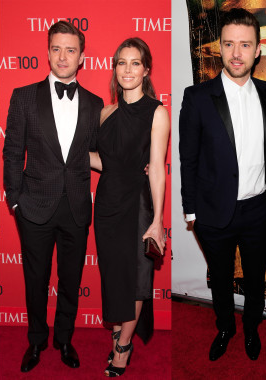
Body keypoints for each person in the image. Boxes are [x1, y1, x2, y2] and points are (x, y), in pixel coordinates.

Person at [3, 20, 103, 372]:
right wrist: (14, 199)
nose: (63, 56)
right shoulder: (24, 96)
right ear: (47, 52)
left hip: (76, 206)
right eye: (57, 48)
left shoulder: (95, 103)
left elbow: (101, 154)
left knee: (71, 280)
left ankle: (65, 339)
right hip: (33, 207)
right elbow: (12, 151)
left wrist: (139, 164)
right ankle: (36, 341)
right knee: (36, 280)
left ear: (81, 58)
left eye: (71, 50)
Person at [179, 8, 266, 362]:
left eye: (245, 45)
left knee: (255, 277)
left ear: (257, 50)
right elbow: (187, 159)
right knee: (219, 278)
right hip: (212, 210)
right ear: (220, 48)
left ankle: (252, 326)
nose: (237, 53)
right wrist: (191, 211)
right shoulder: (197, 97)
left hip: (258, 209)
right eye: (230, 44)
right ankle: (225, 327)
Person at [90, 37, 170, 377]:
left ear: (146, 69)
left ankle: (123, 347)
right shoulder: (105, 112)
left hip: (138, 206)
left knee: (137, 277)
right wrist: (67, 157)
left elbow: (157, 169)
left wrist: (157, 220)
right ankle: (121, 331)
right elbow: (103, 161)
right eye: (122, 62)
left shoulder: (157, 112)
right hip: (107, 203)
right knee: (115, 276)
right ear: (115, 68)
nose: (127, 69)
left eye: (135, 62)